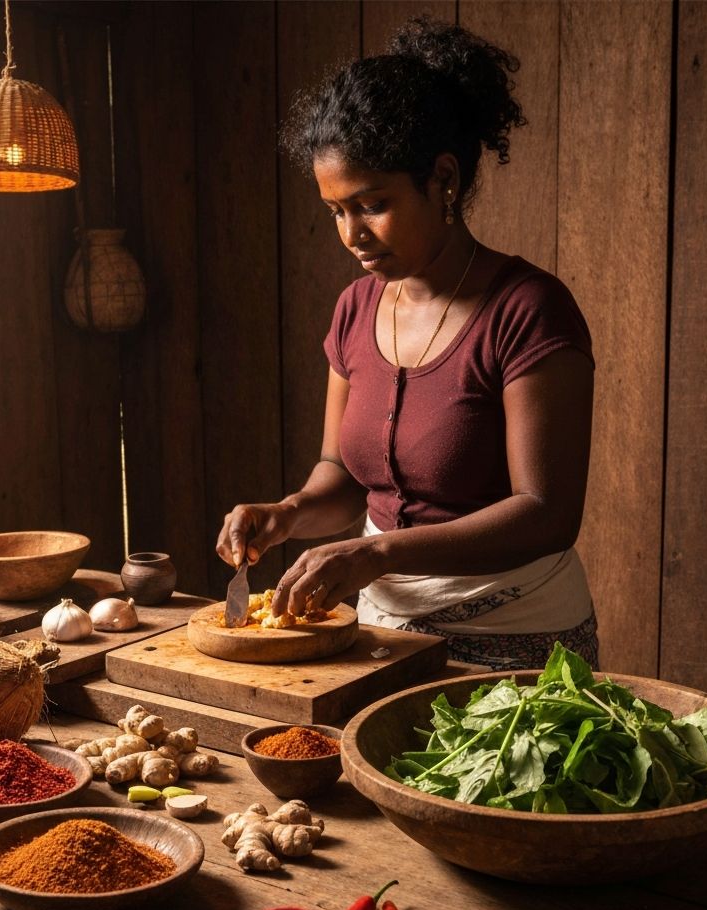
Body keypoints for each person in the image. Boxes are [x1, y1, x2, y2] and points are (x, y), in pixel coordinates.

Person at [215, 16, 599, 671]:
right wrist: (288, 513)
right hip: (379, 637)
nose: (351, 234)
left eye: (371, 204)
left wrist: (378, 553)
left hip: (517, 643)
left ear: (442, 180)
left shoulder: (528, 310)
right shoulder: (355, 309)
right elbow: (341, 475)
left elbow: (546, 514)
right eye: (335, 210)